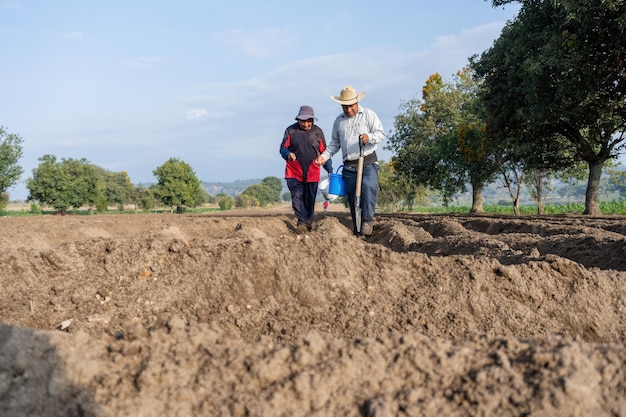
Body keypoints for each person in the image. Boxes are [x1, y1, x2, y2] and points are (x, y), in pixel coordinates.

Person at [316, 85, 385, 236]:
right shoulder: (339, 121)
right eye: (344, 107)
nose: (348, 110)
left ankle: (367, 221)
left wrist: (369, 137)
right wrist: (324, 157)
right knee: (354, 199)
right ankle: (357, 227)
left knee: (367, 188)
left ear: (356, 103)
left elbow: (380, 134)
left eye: (351, 106)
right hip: (349, 166)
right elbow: (334, 144)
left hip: (367, 162)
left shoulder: (368, 115)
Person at [280, 105, 332, 234]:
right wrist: (288, 154)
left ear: (313, 121)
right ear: (298, 120)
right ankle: (301, 222)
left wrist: (329, 169)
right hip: (294, 171)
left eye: (309, 121)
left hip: (312, 172)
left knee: (310, 199)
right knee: (297, 196)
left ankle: (308, 223)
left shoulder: (317, 132)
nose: (306, 124)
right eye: (303, 121)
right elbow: (282, 148)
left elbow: (324, 152)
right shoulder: (291, 131)